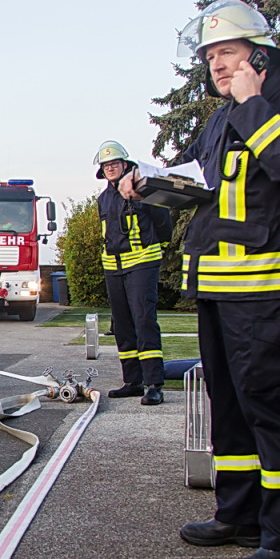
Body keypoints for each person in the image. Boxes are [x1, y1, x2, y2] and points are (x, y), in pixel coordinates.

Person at [128, 0, 280, 559]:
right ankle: (239, 516)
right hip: (217, 289)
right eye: (210, 56)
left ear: (259, 56)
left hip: (267, 291)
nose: (216, 65)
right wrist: (150, 183)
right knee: (230, 405)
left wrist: (253, 104)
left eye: (228, 52)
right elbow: (197, 183)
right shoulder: (218, 119)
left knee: (272, 405)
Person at [94, 140, 172, 405]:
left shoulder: (142, 190)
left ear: (125, 164)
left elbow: (163, 223)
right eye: (106, 165)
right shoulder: (103, 199)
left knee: (144, 321)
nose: (110, 168)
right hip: (113, 268)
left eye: (114, 163)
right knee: (122, 325)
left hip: (142, 264)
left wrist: (158, 248)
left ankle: (154, 384)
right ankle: (133, 381)